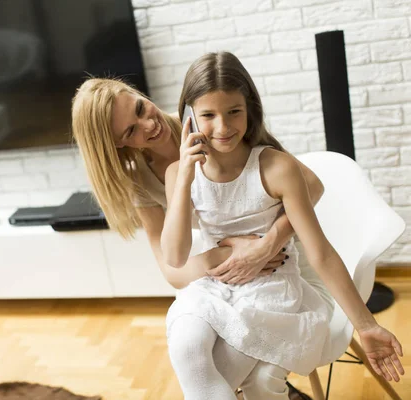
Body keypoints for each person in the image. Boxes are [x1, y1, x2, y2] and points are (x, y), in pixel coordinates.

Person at [159, 51, 405, 399]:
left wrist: (366, 325)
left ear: (250, 109)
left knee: (226, 378)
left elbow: (320, 253)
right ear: (188, 117)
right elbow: (175, 254)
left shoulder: (276, 167)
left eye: (234, 112)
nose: (223, 127)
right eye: (208, 115)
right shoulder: (177, 174)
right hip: (213, 288)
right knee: (186, 348)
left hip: (271, 293)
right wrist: (184, 176)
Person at [71, 75, 332, 398]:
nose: (148, 124)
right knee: (194, 352)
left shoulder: (209, 121)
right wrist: (228, 254)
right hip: (226, 270)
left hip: (283, 261)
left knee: (220, 371)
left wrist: (267, 244)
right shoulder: (142, 180)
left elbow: (313, 186)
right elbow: (172, 271)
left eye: (141, 108)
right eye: (130, 130)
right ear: (118, 144)